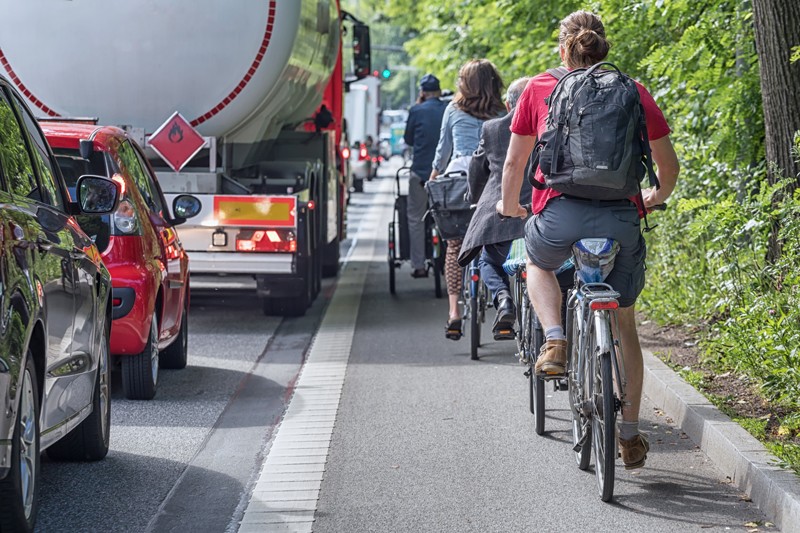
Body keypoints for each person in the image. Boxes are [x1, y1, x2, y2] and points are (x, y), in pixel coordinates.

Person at [498, 10, 680, 469]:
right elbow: (668, 167)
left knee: (538, 263)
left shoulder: (539, 89)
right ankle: (632, 435)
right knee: (625, 325)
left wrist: (509, 206)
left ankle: (555, 339)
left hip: (558, 214)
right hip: (620, 217)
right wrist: (650, 198)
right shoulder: (632, 91)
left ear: (562, 48)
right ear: (603, 45)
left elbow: (514, 164)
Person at [430, 59, 505, 340]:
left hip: (459, 182)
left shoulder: (452, 110)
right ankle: (502, 299)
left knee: (454, 245)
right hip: (492, 182)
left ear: (466, 83)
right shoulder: (501, 110)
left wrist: (434, 178)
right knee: (494, 242)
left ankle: (454, 313)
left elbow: (443, 150)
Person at [457, 77, 532, 340]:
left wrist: (475, 198)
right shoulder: (550, 124)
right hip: (540, 213)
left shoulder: (492, 129)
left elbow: (477, 170)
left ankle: (503, 299)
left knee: (488, 259)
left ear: (509, 105)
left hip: (502, 213)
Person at [403, 74, 447, 278]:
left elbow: (409, 139)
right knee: (450, 215)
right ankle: (451, 263)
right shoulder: (448, 108)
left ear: (422, 92)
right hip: (446, 177)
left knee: (415, 218)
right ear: (438, 91)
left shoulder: (416, 110)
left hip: (420, 173)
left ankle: (418, 265)